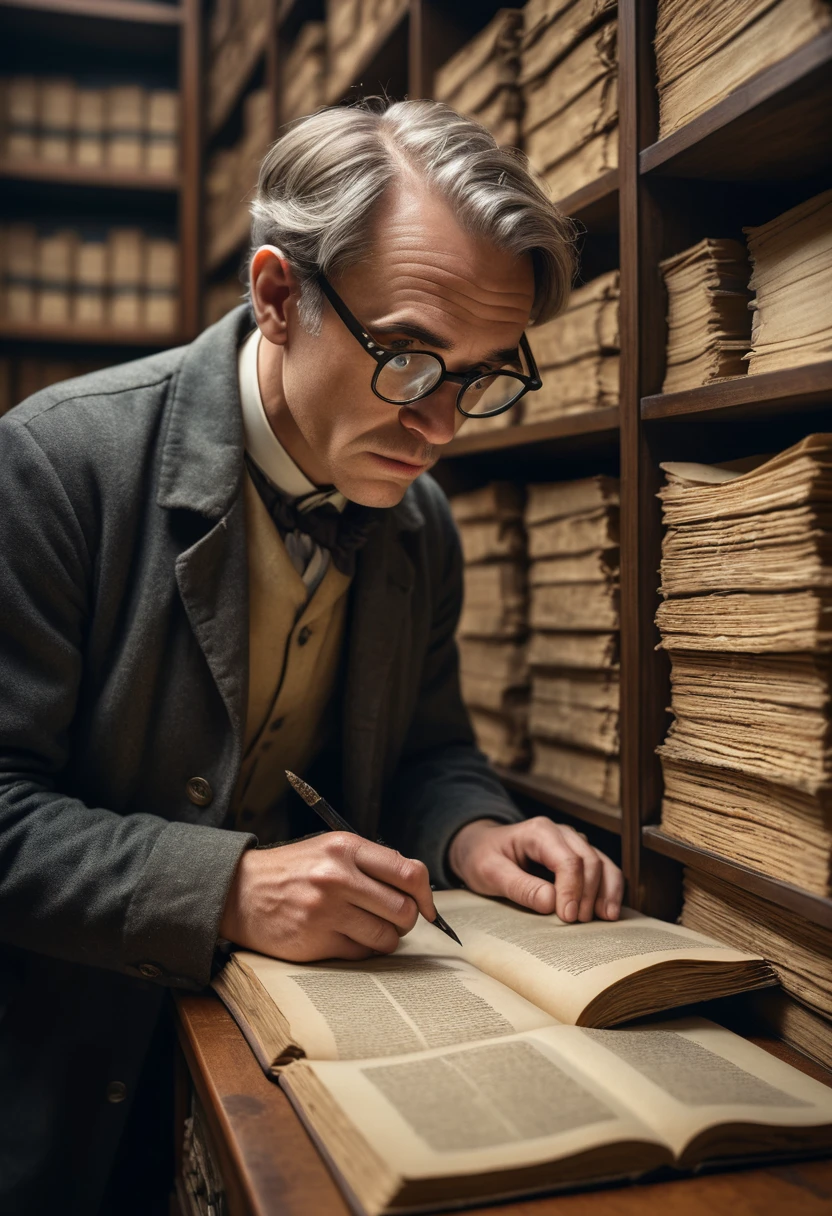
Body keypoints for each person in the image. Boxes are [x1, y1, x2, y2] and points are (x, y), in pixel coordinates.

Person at [0, 98, 623, 1213]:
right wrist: (227, 884)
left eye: (483, 375)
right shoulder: (53, 464)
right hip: (57, 1071)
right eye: (412, 360)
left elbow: (430, 749)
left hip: (291, 1066)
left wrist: (475, 831)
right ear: (277, 294)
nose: (441, 427)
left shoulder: (419, 523)